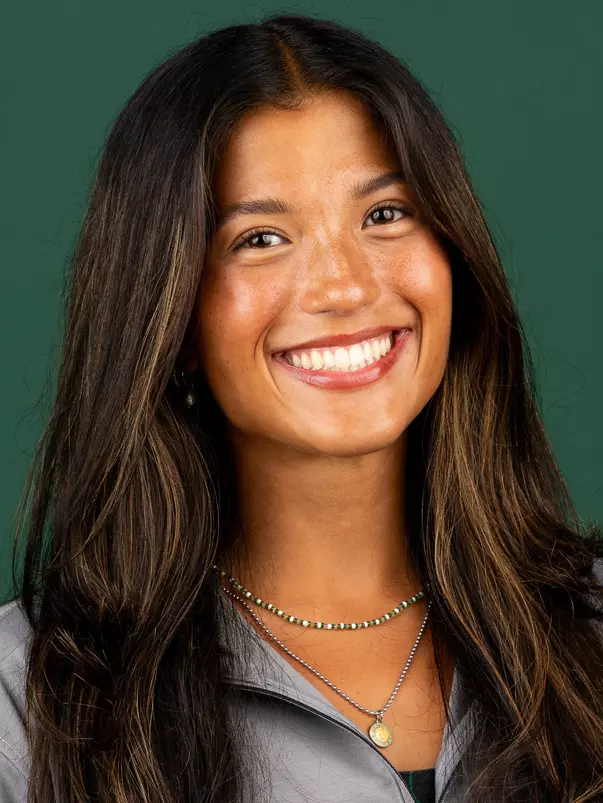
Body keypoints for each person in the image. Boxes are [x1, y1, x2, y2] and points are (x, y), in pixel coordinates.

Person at [1, 12, 602, 803]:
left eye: (384, 214)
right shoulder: (25, 702)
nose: (344, 286)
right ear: (170, 315)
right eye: (259, 238)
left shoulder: (589, 630)